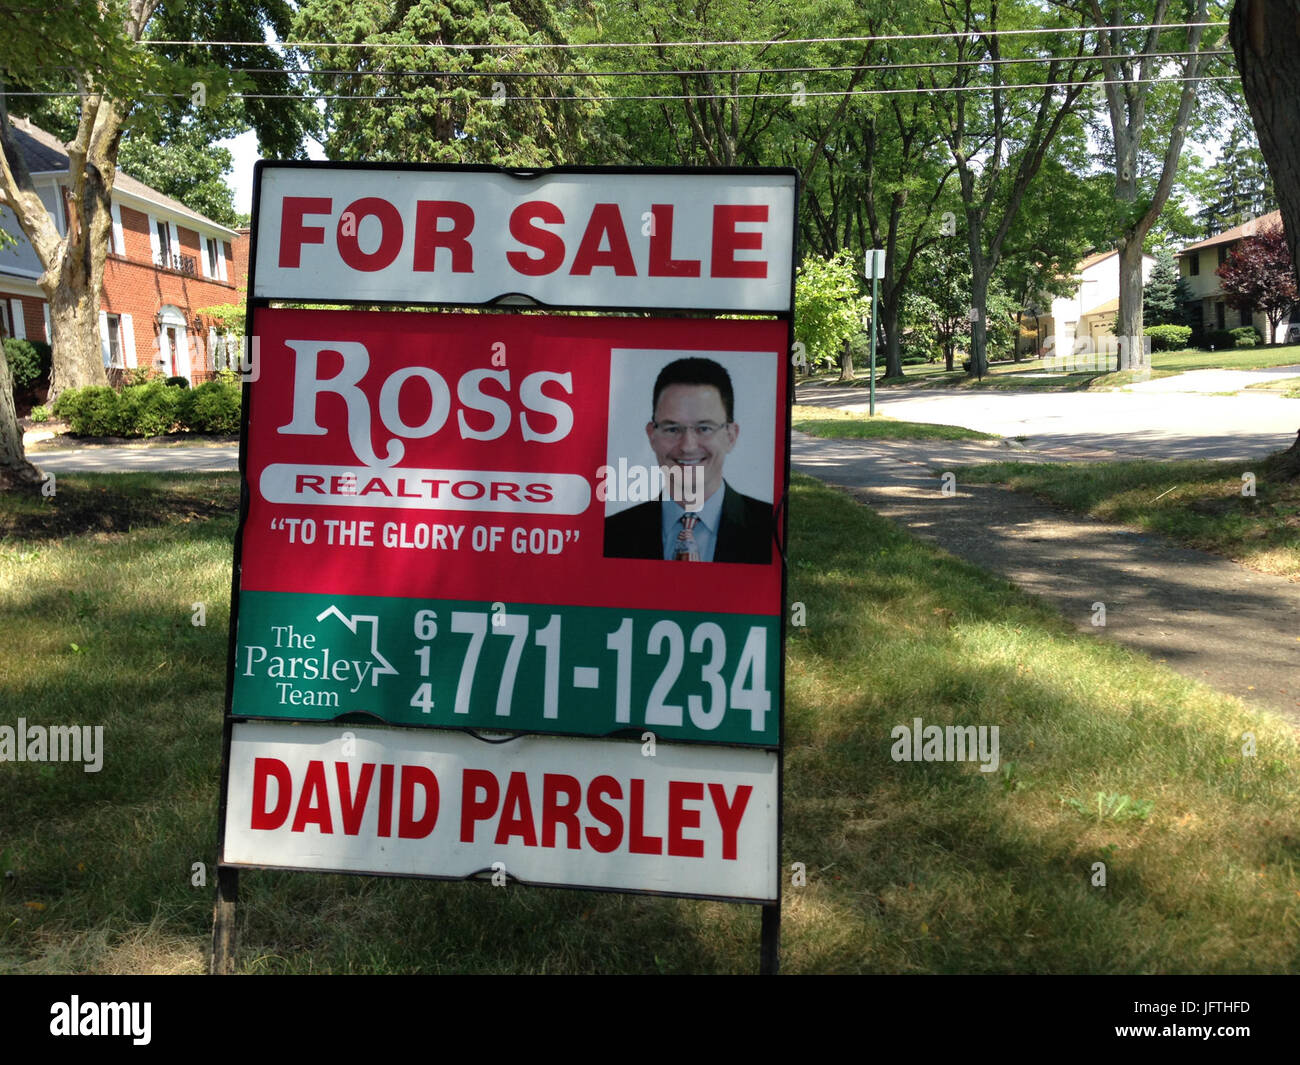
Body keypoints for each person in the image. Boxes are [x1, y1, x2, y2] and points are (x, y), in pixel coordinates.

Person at [603, 357, 772, 564]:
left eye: (704, 428)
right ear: (651, 435)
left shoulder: (771, 529)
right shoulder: (611, 534)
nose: (688, 446)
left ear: (731, 436)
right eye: (672, 429)